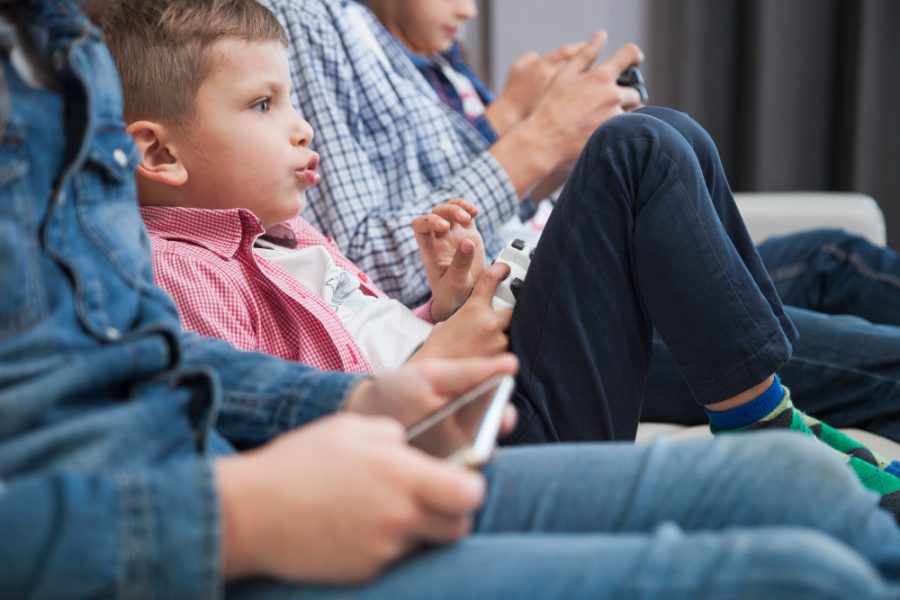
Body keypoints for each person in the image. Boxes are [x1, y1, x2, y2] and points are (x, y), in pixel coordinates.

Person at [9, 0, 900, 597]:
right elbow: (291, 404)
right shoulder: (189, 268)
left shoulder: (285, 238)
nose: (301, 121)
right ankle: (761, 411)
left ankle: (768, 418)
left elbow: (362, 354)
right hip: (469, 431)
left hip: (459, 394)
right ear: (155, 156)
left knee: (663, 141)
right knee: (638, 152)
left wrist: (444, 306)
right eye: (265, 104)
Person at [258, 0, 900, 443]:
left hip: (528, 272)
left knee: (827, 256)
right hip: (526, 309)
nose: (473, 11)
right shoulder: (310, 24)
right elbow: (380, 256)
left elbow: (427, 252)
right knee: (643, 145)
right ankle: (761, 424)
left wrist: (510, 119)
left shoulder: (432, 64)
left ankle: (760, 407)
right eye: (262, 105)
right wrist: (533, 132)